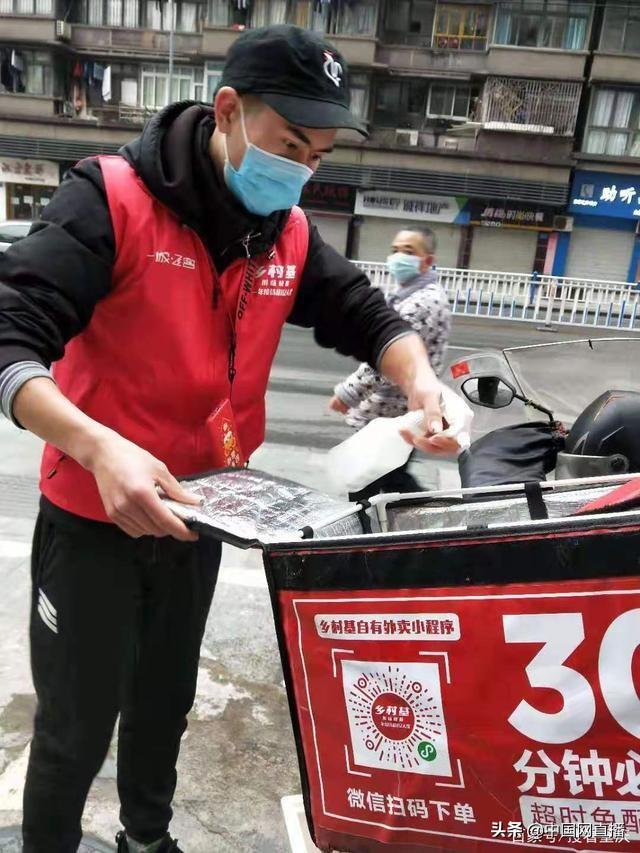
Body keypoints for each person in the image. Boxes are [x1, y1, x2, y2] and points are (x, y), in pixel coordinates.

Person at [0, 26, 459, 853]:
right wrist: (99, 446)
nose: (303, 171)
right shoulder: (110, 199)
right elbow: (10, 333)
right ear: (228, 113)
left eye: (318, 155)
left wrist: (423, 383)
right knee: (74, 724)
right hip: (92, 518)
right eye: (290, 145)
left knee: (164, 701)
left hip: (201, 517)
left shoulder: (283, 230)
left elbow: (366, 313)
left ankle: (146, 838)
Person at [330, 227, 451, 499]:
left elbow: (388, 358)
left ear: (427, 260)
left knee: (367, 480)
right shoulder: (409, 294)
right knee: (386, 478)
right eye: (395, 250)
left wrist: (348, 392)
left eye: (408, 252)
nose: (398, 257)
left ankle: (373, 532)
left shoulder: (422, 303)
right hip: (395, 410)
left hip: (395, 411)